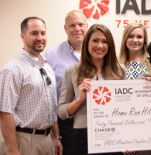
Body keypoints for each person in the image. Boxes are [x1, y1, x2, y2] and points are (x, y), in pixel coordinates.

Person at [57, 24, 126, 155]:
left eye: (104, 41)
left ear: (110, 45)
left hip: (113, 136)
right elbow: (61, 111)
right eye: (95, 40)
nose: (100, 46)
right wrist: (79, 99)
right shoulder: (72, 71)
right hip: (82, 138)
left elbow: (127, 106)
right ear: (87, 43)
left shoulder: (120, 70)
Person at [0, 17, 62, 155]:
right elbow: (5, 112)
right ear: (23, 36)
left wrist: (56, 137)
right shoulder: (12, 69)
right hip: (24, 140)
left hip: (48, 139)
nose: (40, 38)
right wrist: (13, 149)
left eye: (43, 33)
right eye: (34, 33)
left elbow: (51, 106)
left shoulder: (47, 67)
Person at [45, 10, 88, 155]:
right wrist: (56, 134)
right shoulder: (51, 55)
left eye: (81, 24)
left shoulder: (98, 53)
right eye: (72, 25)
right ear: (65, 28)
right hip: (65, 122)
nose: (77, 29)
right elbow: (48, 96)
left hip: (94, 120)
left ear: (87, 26)